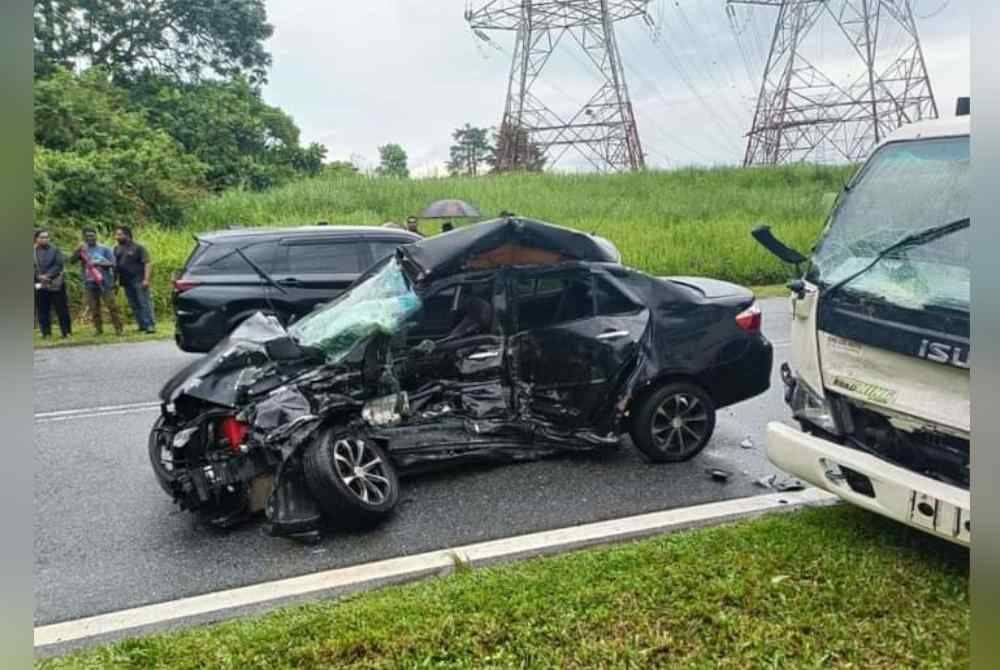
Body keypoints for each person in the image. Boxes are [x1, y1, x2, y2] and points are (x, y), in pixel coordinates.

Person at [71, 228, 123, 336]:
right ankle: (98, 329)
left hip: (104, 281)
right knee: (94, 307)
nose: (90, 238)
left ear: (96, 236)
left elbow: (113, 264)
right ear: (84, 238)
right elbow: (72, 261)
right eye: (88, 236)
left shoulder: (104, 249)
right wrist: (77, 250)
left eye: (92, 235)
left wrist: (98, 264)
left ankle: (119, 329)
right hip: (89, 282)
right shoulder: (83, 250)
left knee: (112, 306)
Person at [114, 225, 156, 333]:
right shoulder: (116, 249)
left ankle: (150, 325)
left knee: (144, 303)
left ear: (127, 235)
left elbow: (147, 263)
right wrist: (115, 281)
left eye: (119, 235)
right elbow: (115, 266)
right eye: (116, 235)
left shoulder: (138, 247)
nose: (116, 237)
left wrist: (146, 279)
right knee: (134, 304)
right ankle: (142, 325)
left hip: (139, 280)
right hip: (126, 281)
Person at [33, 229, 72, 339]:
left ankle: (66, 332)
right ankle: (46, 333)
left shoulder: (55, 250)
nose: (45, 239)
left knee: (61, 309)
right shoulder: (32, 252)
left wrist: (48, 276)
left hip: (56, 284)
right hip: (39, 284)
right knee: (42, 309)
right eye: (42, 237)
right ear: (36, 239)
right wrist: (38, 277)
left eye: (47, 237)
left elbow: (58, 265)